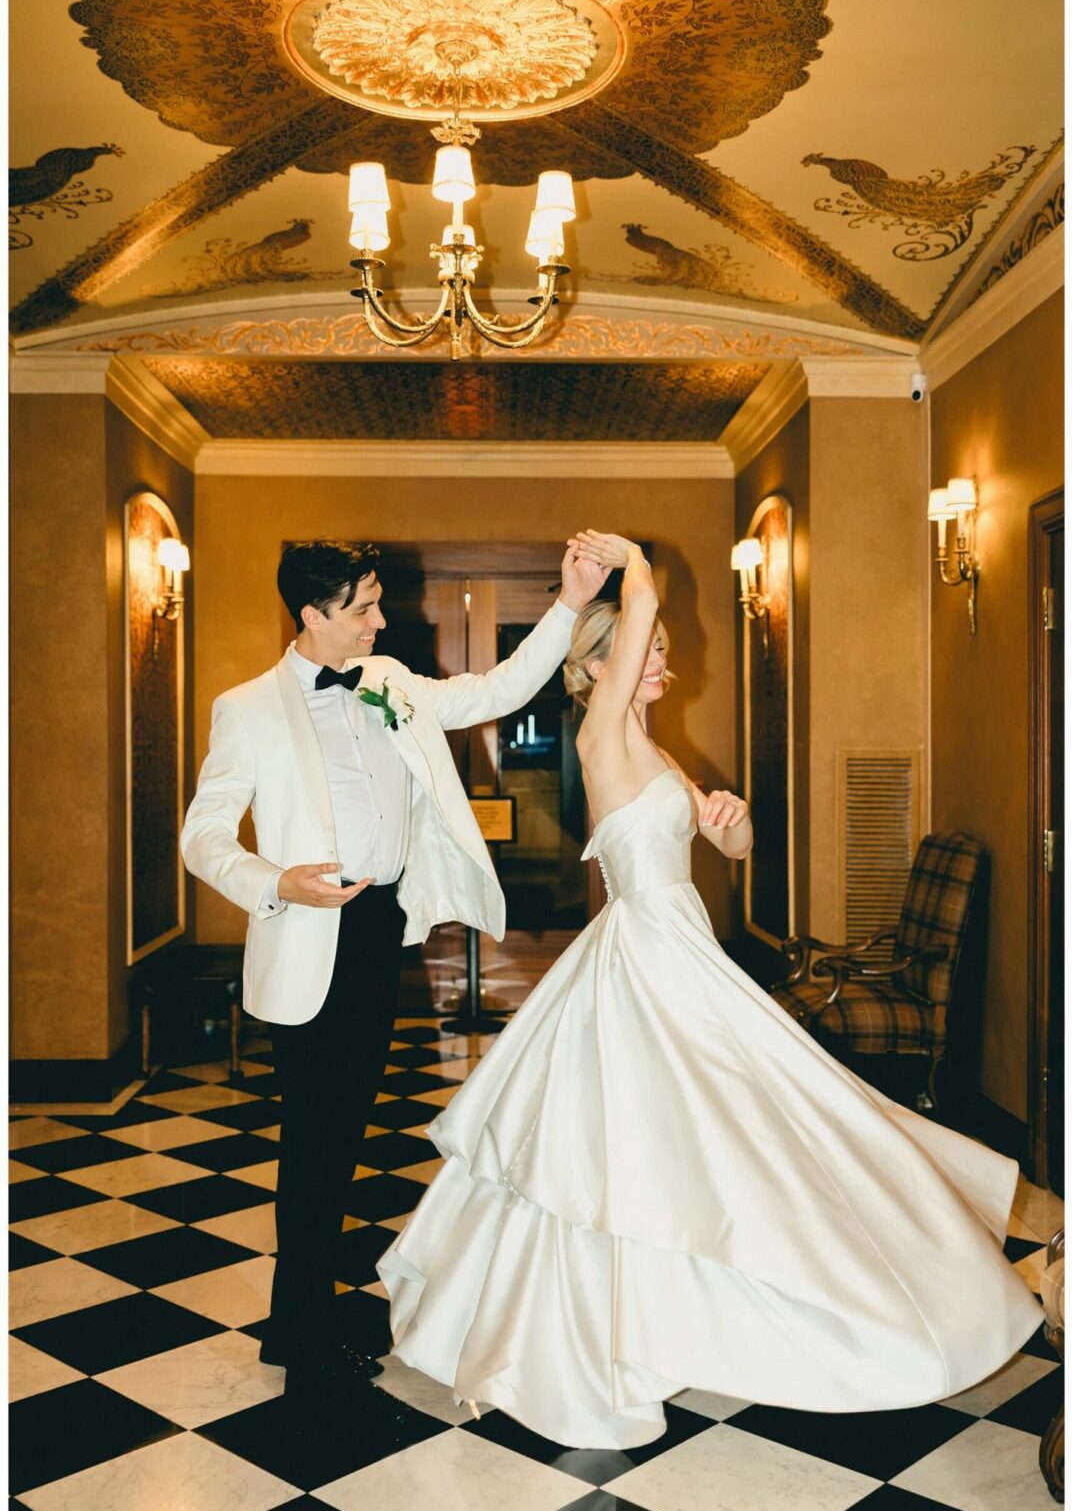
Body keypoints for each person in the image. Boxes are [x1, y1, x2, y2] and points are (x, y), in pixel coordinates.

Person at [378, 530, 1042, 1450]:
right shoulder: (601, 731)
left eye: (657, 648)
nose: (663, 659)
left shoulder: (655, 751)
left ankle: (699, 1301)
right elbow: (638, 617)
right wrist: (631, 564)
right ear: (600, 667)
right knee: (685, 1133)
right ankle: (604, 1328)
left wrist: (731, 823)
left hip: (679, 942)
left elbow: (728, 846)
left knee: (729, 1130)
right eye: (647, 649)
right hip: (645, 956)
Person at [180, 537, 608, 1398]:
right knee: (313, 1143)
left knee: (346, 1133)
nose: (381, 621)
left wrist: (569, 602)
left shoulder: (391, 685)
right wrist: (277, 883)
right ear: (311, 615)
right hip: (307, 935)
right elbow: (202, 836)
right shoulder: (248, 708)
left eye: (379, 603)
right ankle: (300, 1334)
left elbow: (497, 689)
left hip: (377, 932)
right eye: (363, 608)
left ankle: (302, 1312)